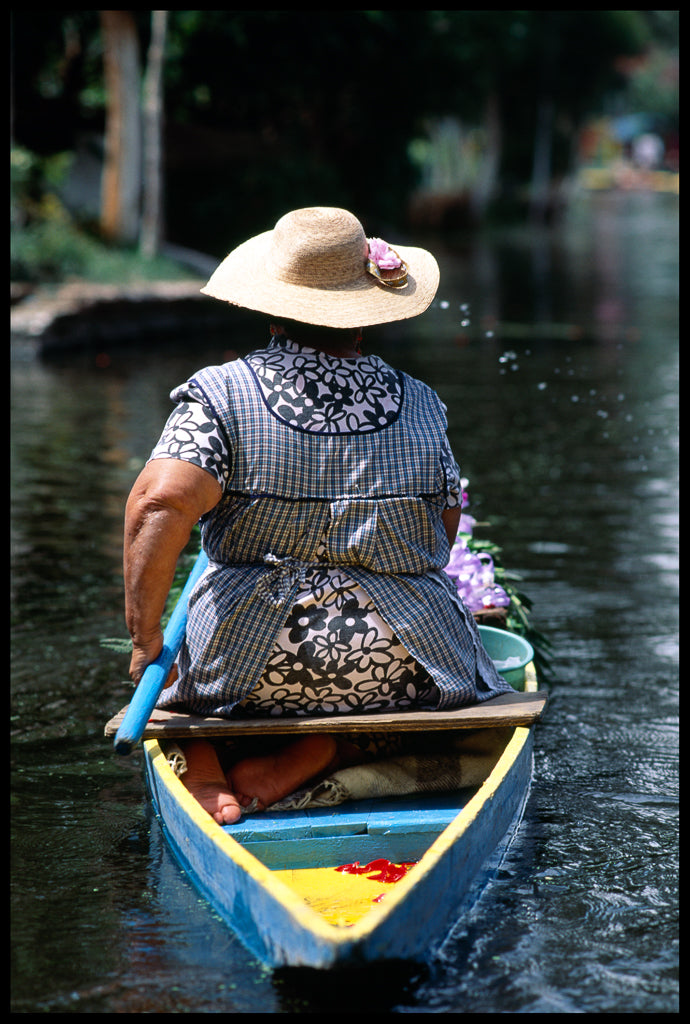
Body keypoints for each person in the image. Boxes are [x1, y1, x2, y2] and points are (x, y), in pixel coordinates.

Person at [124, 206, 512, 825]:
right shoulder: (421, 403)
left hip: (247, 668)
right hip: (401, 665)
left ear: (273, 308)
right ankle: (349, 743)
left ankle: (203, 759)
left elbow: (158, 504)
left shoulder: (222, 394)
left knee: (180, 686)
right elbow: (441, 536)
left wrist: (146, 642)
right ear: (364, 317)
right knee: (439, 686)